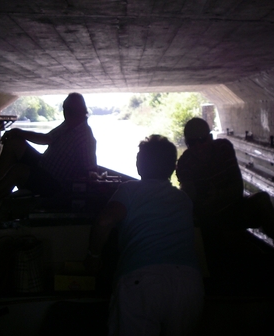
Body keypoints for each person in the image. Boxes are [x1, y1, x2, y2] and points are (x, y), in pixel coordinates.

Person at [85, 135, 203, 336]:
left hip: (143, 282)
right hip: (189, 285)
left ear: (140, 164)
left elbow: (104, 221)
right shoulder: (183, 199)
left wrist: (94, 257)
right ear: (173, 168)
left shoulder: (129, 190)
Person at [176, 117, 274, 251]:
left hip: (232, 209)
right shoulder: (185, 163)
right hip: (210, 220)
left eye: (202, 140)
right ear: (186, 143)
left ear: (210, 137)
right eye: (192, 142)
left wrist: (217, 196)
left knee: (261, 200)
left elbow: (237, 190)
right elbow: (191, 204)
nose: (198, 147)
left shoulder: (223, 148)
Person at [0, 92, 97, 203]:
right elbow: (46, 139)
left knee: (19, 170)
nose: (65, 113)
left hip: (53, 183)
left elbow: (90, 169)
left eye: (68, 109)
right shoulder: (67, 126)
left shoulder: (86, 138)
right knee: (14, 143)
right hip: (42, 165)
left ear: (79, 111)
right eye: (65, 108)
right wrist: (18, 132)